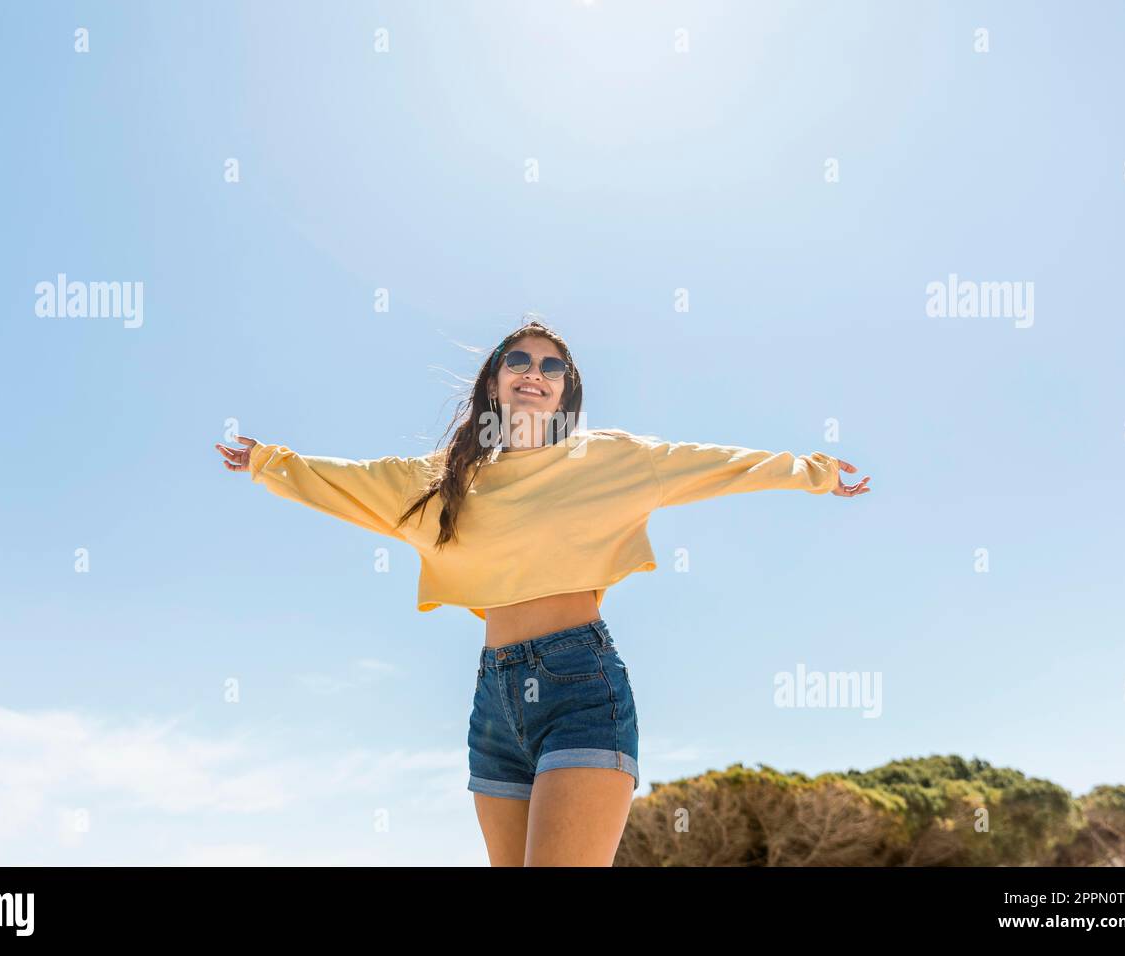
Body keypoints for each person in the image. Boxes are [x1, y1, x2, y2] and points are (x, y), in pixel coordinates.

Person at [215, 317, 871, 866]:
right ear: (494, 381)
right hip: (494, 700)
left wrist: (813, 473)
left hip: (580, 686)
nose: (534, 370)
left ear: (564, 392)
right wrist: (267, 463)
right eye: (518, 359)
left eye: (551, 366)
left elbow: (718, 467)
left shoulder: (612, 459)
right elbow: (345, 482)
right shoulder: (438, 481)